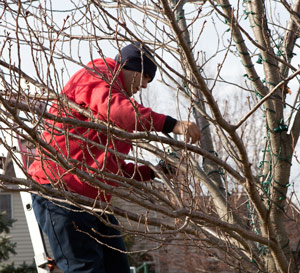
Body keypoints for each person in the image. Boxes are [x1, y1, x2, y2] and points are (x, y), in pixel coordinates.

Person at [28, 42, 201, 273]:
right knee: (85, 269)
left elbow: (112, 168)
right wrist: (173, 124)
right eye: (144, 78)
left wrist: (154, 171)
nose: (143, 87)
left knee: (118, 267)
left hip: (93, 200)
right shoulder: (97, 75)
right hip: (61, 192)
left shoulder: (115, 108)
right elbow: (121, 112)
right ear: (131, 67)